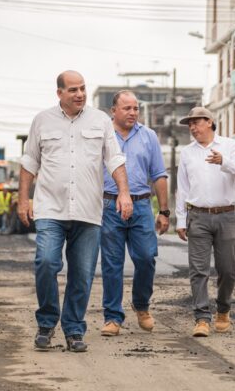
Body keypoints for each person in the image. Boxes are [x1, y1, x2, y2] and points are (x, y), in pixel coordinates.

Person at [18, 70, 132, 353]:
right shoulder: (42, 121)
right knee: (46, 262)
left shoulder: (100, 121)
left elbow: (114, 159)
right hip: (50, 209)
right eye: (73, 90)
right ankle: (46, 323)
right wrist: (23, 200)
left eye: (82, 88)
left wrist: (124, 193)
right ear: (59, 93)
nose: (79, 94)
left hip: (88, 211)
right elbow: (29, 162)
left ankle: (73, 329)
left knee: (81, 274)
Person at [100, 90, 170, 337]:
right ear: (114, 111)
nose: (132, 113)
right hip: (109, 206)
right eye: (127, 108)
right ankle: (112, 316)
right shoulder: (102, 135)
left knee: (146, 257)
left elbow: (159, 174)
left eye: (136, 108)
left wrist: (164, 211)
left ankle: (141, 305)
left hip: (141, 206)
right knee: (111, 264)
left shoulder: (148, 136)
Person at [176, 106, 235, 338]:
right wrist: (180, 219)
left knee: (228, 270)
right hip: (197, 216)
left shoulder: (230, 146)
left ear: (209, 122)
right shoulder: (187, 153)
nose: (192, 128)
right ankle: (202, 318)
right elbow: (182, 188)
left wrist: (223, 161)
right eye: (190, 124)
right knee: (198, 270)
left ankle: (223, 310)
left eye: (196, 123)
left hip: (226, 215)